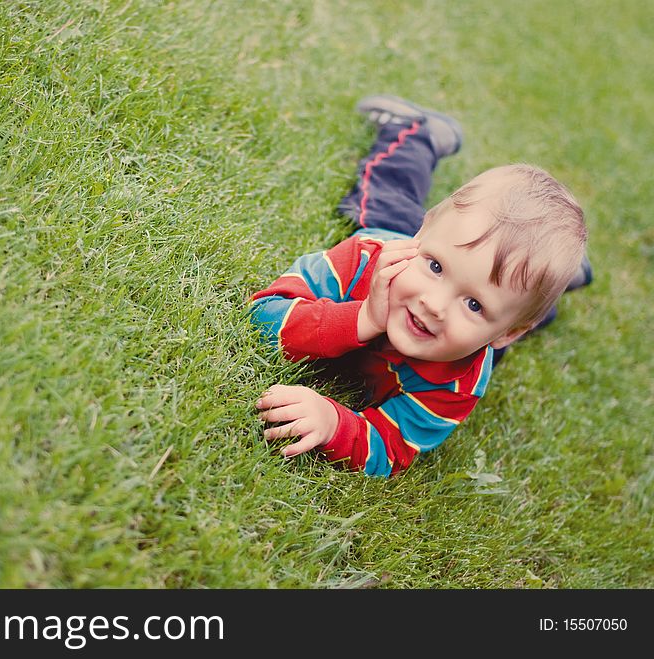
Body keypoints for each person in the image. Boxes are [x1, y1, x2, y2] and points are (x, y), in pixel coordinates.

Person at [249, 95, 592, 477]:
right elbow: (263, 315)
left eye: (473, 305)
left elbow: (391, 447)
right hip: (395, 228)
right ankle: (418, 132)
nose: (434, 305)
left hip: (486, 325)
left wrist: (333, 424)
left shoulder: (459, 381)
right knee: (385, 192)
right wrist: (361, 318)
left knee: (518, 302)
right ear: (424, 231)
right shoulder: (365, 261)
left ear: (506, 332)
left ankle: (553, 284)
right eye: (435, 267)